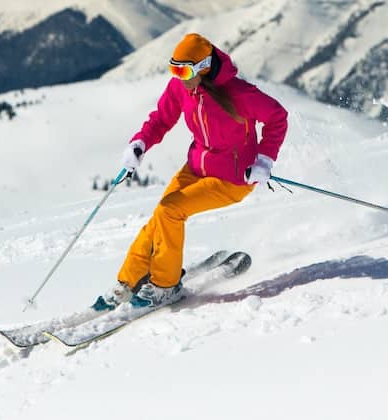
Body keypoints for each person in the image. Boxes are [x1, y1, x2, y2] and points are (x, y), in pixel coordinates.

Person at [93, 33, 288, 310]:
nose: (178, 78)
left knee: (169, 211)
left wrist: (264, 160)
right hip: (196, 168)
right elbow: (161, 119)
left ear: (203, 67)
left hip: (232, 179)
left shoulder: (238, 93)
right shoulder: (181, 88)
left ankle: (165, 285)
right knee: (160, 218)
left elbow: (277, 116)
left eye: (183, 71)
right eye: (174, 70)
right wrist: (140, 143)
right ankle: (129, 281)